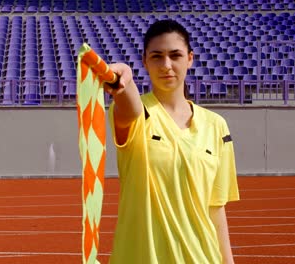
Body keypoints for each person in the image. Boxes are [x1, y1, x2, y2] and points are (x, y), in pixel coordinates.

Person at [105, 19, 239, 264]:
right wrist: (124, 79)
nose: (166, 65)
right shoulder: (139, 113)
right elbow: (130, 111)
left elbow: (216, 209)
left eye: (175, 55)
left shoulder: (216, 126)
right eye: (157, 56)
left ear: (189, 58)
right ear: (144, 61)